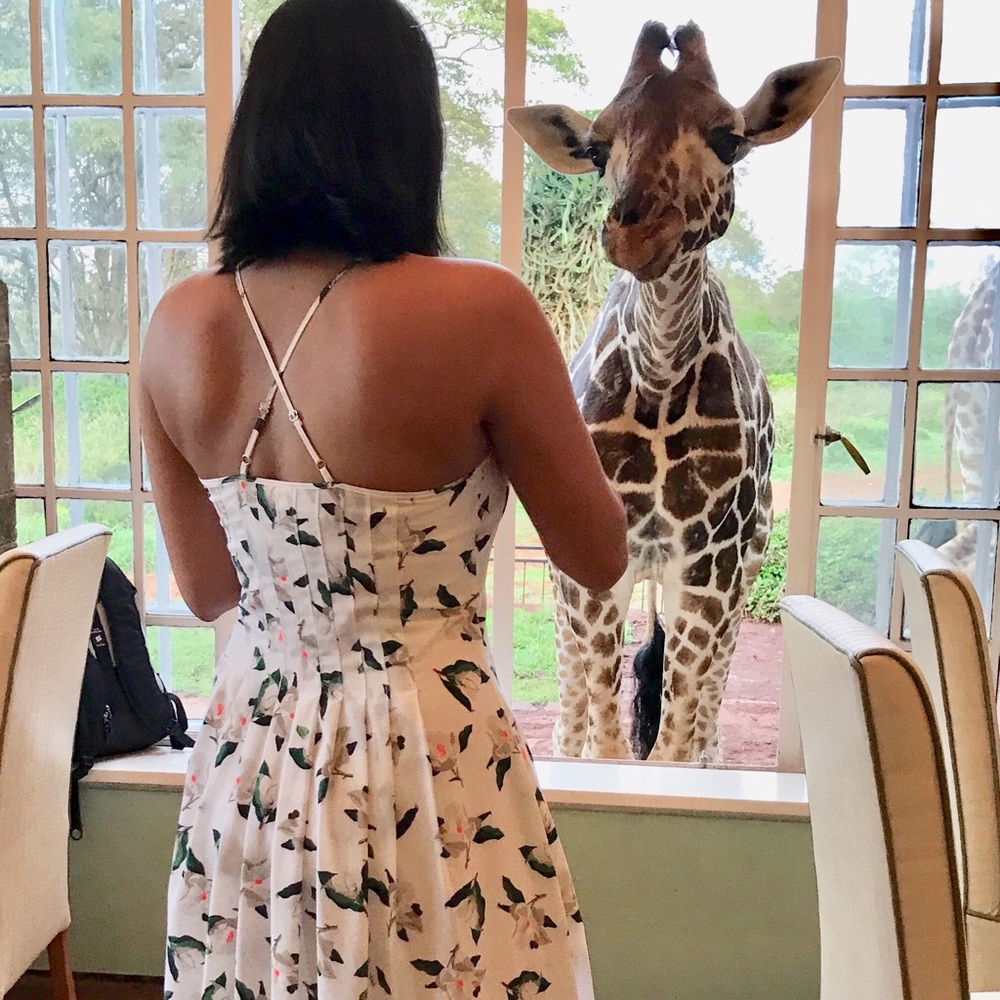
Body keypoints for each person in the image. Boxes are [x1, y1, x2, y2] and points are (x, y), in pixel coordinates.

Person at [140, 0, 627, 996]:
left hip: (255, 757)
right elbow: (598, 553)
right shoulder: (481, 309)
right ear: (408, 132)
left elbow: (202, 588)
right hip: (427, 761)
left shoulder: (176, 323)